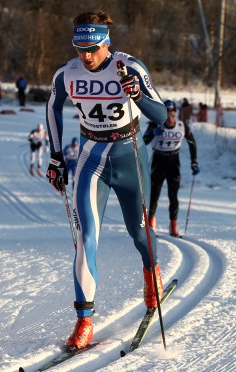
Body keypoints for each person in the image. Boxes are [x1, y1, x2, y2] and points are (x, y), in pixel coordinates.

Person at [45, 10, 167, 349]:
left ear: (106, 43)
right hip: (90, 157)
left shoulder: (130, 67)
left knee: (139, 231)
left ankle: (151, 272)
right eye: (79, 48)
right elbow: (53, 107)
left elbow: (162, 114)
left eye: (93, 48)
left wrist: (138, 95)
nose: (85, 56)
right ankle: (84, 321)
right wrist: (56, 155)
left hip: (129, 153)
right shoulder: (67, 73)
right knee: (86, 239)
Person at [144, 100, 199, 237]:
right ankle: (151, 225)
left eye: (173, 115)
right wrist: (151, 133)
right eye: (167, 115)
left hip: (174, 162)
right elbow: (142, 142)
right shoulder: (155, 125)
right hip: (158, 161)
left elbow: (192, 143)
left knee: (173, 195)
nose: (170, 118)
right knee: (154, 195)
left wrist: (194, 161)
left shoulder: (181, 126)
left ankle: (173, 226)